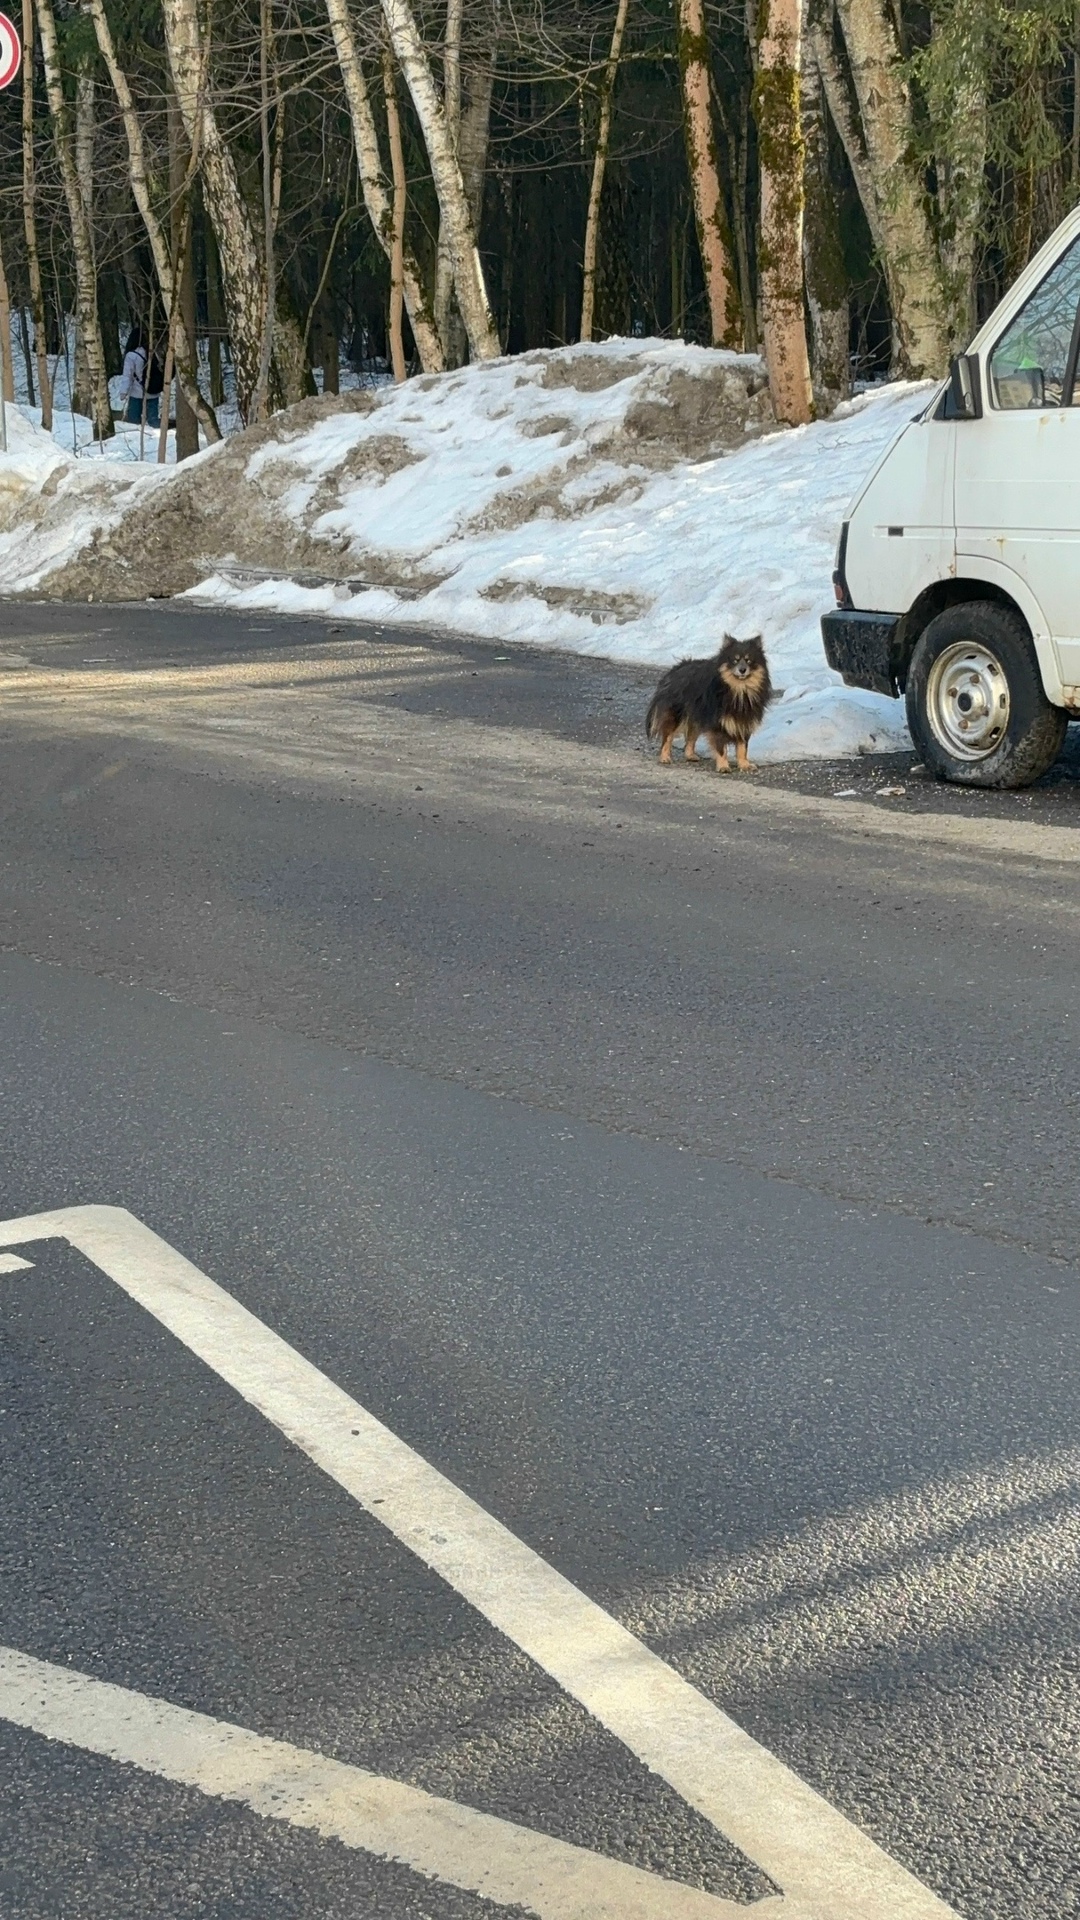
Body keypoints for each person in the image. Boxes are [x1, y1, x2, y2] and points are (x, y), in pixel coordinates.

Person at [117, 325, 160, 429]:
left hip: (137, 393)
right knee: (153, 420)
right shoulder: (153, 352)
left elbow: (127, 376)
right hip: (153, 390)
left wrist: (124, 392)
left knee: (133, 420)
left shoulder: (131, 355)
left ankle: (135, 438)